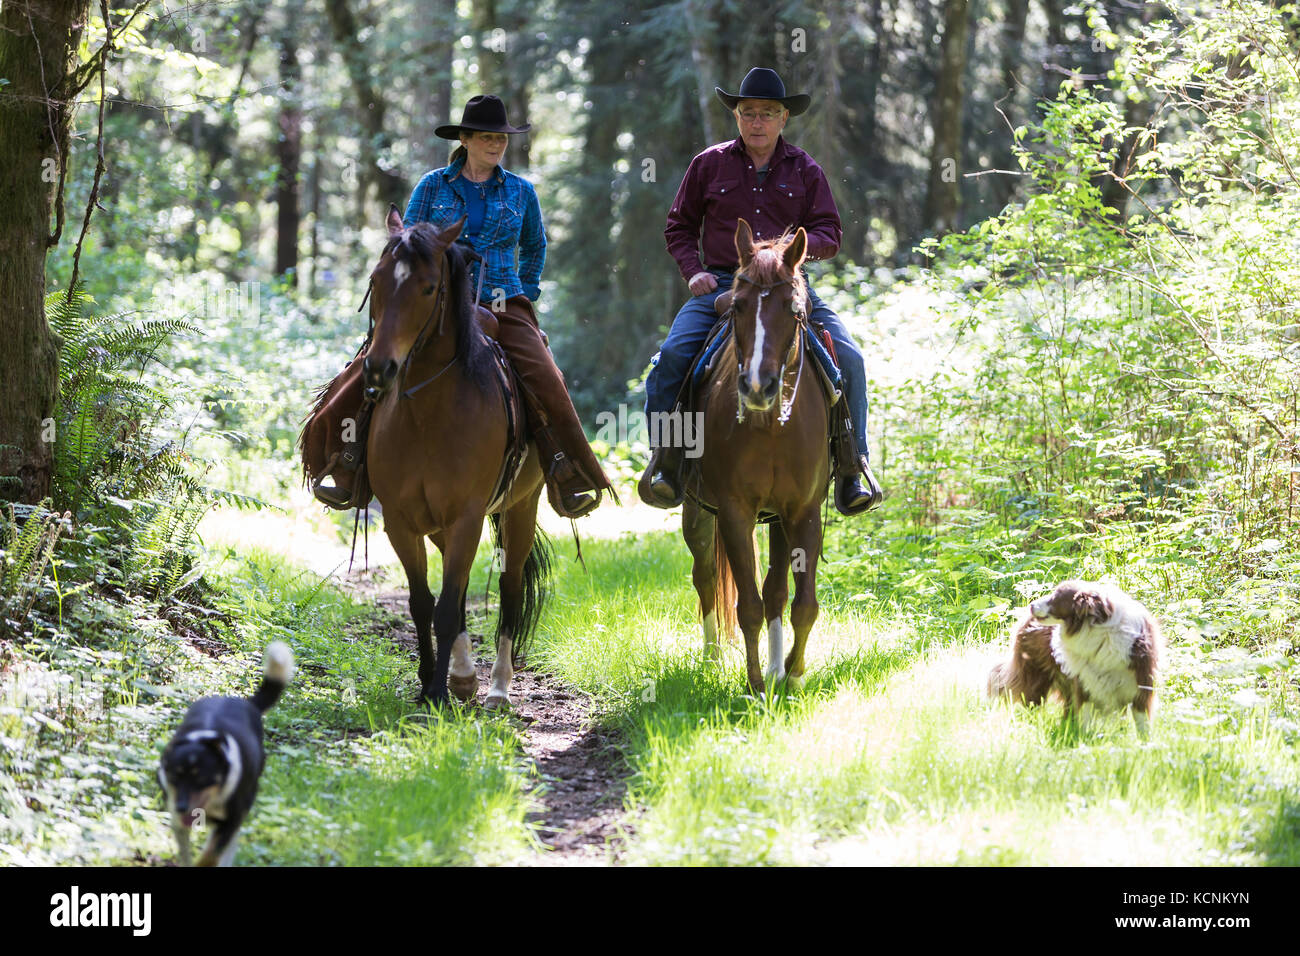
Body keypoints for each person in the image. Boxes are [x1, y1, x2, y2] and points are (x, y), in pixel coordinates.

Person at [313, 94, 611, 519]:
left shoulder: (522, 192)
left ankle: (567, 471)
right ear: (466, 139)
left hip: (502, 302)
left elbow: (535, 245)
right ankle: (345, 461)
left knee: (545, 376)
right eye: (487, 137)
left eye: (501, 138)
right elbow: (407, 244)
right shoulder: (433, 185)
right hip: (434, 303)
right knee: (368, 365)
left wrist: (524, 293)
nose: (496, 145)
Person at [640, 68, 884, 515]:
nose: (757, 122)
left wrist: (795, 253)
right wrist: (694, 273)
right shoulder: (707, 164)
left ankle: (853, 466)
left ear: (783, 118)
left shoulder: (806, 169)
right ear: (736, 116)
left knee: (849, 357)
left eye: (767, 114)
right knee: (673, 356)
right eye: (748, 113)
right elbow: (678, 227)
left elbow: (830, 230)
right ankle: (667, 461)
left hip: (787, 285)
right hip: (722, 284)